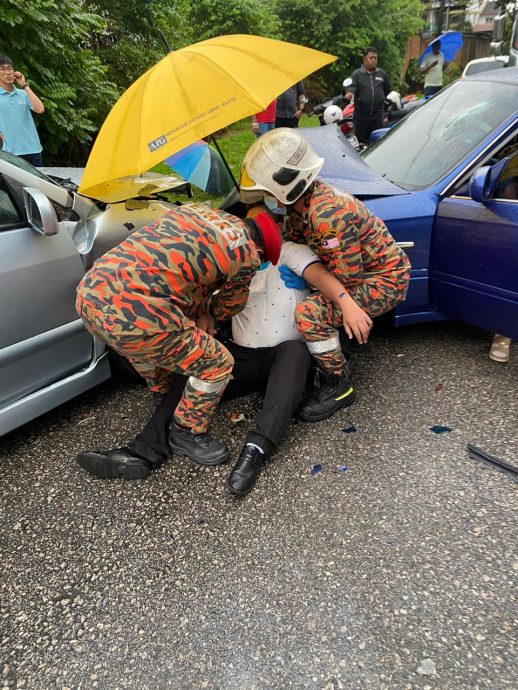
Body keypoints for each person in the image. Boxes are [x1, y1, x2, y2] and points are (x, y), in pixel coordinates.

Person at [75, 229, 323, 495]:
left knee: (295, 354)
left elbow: (320, 274)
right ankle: (143, 451)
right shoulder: (231, 265)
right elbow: (207, 300)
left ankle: (256, 450)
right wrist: (207, 314)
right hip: (243, 355)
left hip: (284, 355)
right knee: (199, 362)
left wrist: (313, 287)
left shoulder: (287, 254)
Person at [240, 128, 411, 422]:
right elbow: (298, 243)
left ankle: (338, 385)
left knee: (309, 313)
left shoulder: (326, 215)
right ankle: (337, 350)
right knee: (319, 300)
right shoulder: (301, 204)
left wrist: (313, 283)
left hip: (384, 280)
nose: (267, 197)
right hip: (363, 274)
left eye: (268, 192)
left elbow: (348, 278)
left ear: (285, 187)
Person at [0, 54, 44, 166]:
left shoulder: (23, 93)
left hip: (34, 150)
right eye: (2, 69)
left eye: (10, 68)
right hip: (11, 153)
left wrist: (24, 85)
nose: (8, 72)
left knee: (36, 184)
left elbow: (40, 109)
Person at [344, 47, 391, 146]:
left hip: (378, 115)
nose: (374, 60)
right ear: (365, 59)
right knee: (361, 143)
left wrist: (380, 99)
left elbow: (387, 89)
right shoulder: (357, 74)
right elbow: (352, 86)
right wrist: (350, 92)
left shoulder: (381, 74)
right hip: (361, 116)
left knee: (378, 142)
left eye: (375, 58)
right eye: (371, 58)